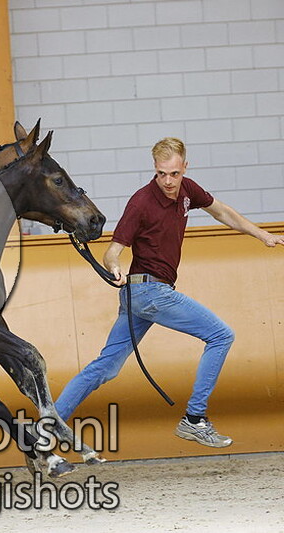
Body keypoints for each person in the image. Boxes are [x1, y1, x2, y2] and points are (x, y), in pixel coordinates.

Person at [55, 137, 284, 447]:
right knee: (221, 335)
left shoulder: (188, 190)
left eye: (174, 173)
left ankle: (46, 427)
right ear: (155, 169)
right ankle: (194, 419)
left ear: (184, 168)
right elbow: (113, 251)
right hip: (149, 293)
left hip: (142, 298)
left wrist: (261, 235)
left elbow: (222, 213)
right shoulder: (141, 202)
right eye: (161, 173)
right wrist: (115, 266)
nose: (167, 181)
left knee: (104, 368)